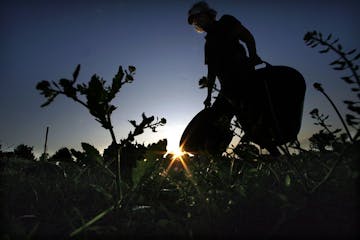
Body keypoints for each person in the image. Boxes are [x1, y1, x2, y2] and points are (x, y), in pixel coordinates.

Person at [188, 1, 262, 117]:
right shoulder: (208, 45)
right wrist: (208, 96)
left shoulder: (226, 21)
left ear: (208, 14)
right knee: (217, 119)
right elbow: (211, 72)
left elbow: (247, 37)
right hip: (227, 91)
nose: (197, 22)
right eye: (195, 21)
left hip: (245, 77)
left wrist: (253, 56)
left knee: (255, 111)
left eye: (199, 17)